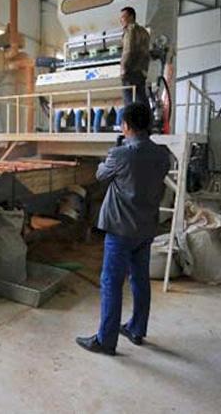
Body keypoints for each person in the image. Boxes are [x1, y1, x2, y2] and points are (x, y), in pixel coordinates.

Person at [76, 103, 170, 355]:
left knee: (111, 282)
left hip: (120, 230)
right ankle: (136, 329)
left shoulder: (120, 154)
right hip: (146, 228)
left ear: (126, 125)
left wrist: (114, 151)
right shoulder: (163, 154)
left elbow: (100, 175)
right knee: (140, 279)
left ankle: (106, 340)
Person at [119, 6, 151, 107]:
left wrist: (123, 68)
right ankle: (146, 119)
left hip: (131, 71)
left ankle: (132, 121)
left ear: (131, 17)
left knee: (129, 100)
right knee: (141, 97)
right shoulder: (144, 32)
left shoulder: (130, 30)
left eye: (124, 17)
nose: (121, 20)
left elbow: (128, 50)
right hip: (142, 70)